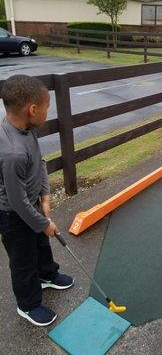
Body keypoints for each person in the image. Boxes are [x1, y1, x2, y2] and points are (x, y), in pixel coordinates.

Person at [0, 75, 74, 327]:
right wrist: (42, 222)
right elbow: (16, 200)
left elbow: (40, 163)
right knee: (23, 260)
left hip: (31, 203)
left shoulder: (27, 130)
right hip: (12, 214)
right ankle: (28, 304)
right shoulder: (11, 152)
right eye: (47, 106)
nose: (48, 110)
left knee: (41, 245)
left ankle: (47, 275)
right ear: (32, 110)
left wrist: (45, 197)